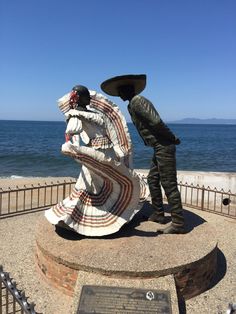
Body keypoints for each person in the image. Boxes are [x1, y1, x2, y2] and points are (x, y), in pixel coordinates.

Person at [100, 74, 185, 234]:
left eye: (120, 91)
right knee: (153, 180)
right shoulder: (132, 104)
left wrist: (172, 137)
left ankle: (179, 223)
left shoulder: (138, 101)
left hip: (164, 146)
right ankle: (159, 214)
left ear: (127, 90)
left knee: (169, 184)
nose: (119, 95)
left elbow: (156, 121)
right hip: (158, 146)